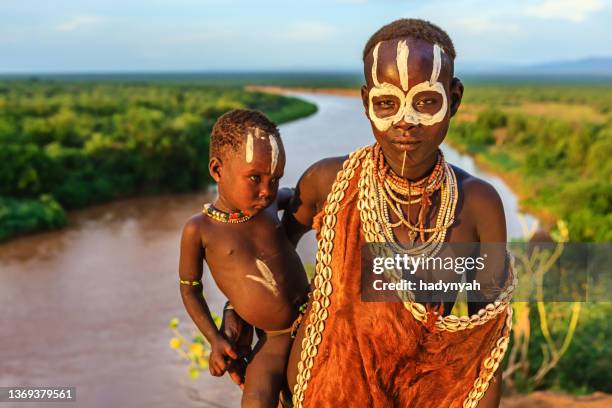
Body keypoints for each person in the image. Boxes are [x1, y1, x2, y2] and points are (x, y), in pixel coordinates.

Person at [225, 19, 515, 408]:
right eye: (386, 103)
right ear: (366, 103)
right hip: (312, 390)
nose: (405, 121)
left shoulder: (479, 205)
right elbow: (269, 253)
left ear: (455, 98)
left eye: (426, 101)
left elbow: (483, 347)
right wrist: (239, 310)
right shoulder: (329, 182)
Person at [178, 109, 309, 408]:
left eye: (274, 179)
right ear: (217, 169)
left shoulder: (273, 203)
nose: (266, 190)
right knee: (256, 399)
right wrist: (215, 339)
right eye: (255, 178)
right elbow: (189, 288)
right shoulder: (199, 230)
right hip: (274, 338)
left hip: (315, 309)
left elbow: (309, 198)